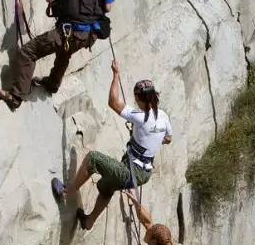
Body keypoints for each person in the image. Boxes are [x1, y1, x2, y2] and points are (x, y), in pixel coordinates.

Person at [0, 0, 113, 111]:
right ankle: (52, 84)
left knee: (28, 52)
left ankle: (16, 96)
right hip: (88, 37)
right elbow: (108, 7)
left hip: (67, 32)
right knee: (65, 53)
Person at [52, 59, 173, 231]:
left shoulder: (140, 117)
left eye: (136, 97)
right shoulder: (163, 116)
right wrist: (151, 136)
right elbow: (168, 138)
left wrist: (116, 74)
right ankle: (89, 221)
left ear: (140, 99)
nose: (135, 100)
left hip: (131, 171)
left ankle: (67, 193)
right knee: (107, 187)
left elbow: (113, 102)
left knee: (93, 158)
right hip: (144, 173)